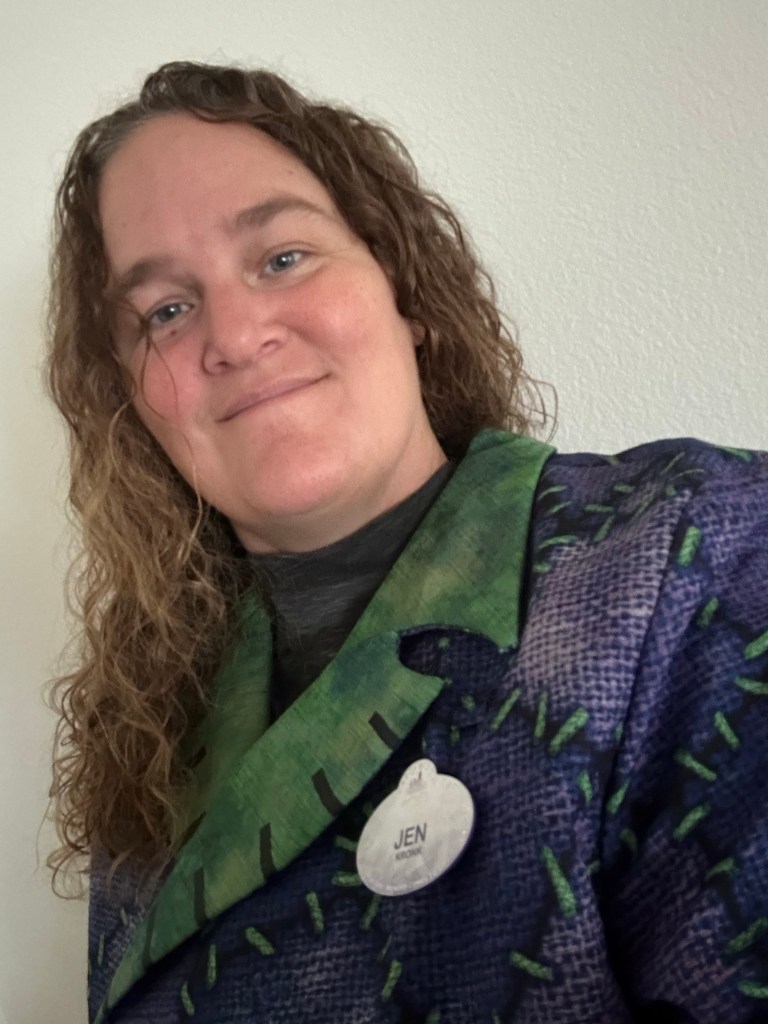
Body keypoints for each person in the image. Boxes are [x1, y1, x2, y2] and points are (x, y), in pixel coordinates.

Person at [47, 61, 768, 1024]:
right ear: (133, 403)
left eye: (282, 258)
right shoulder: (154, 728)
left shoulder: (699, 549)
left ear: (405, 289)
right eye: (166, 312)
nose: (235, 334)